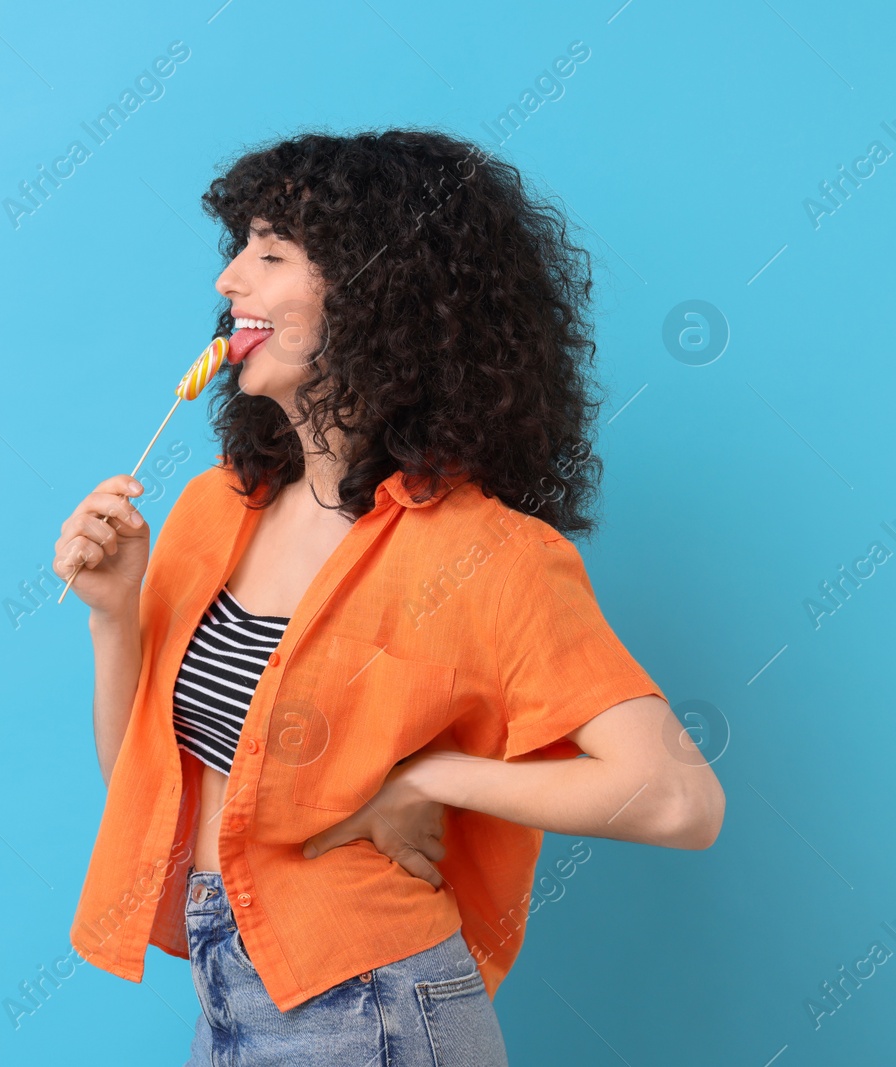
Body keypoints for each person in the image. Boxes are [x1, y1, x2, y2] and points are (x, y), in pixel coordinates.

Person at [52, 129, 725, 1066]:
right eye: (239, 247)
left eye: (272, 253)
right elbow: (141, 786)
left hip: (371, 1007)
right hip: (229, 996)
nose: (229, 280)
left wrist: (431, 781)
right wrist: (112, 612)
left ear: (378, 301)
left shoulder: (491, 555)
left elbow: (680, 800)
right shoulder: (215, 509)